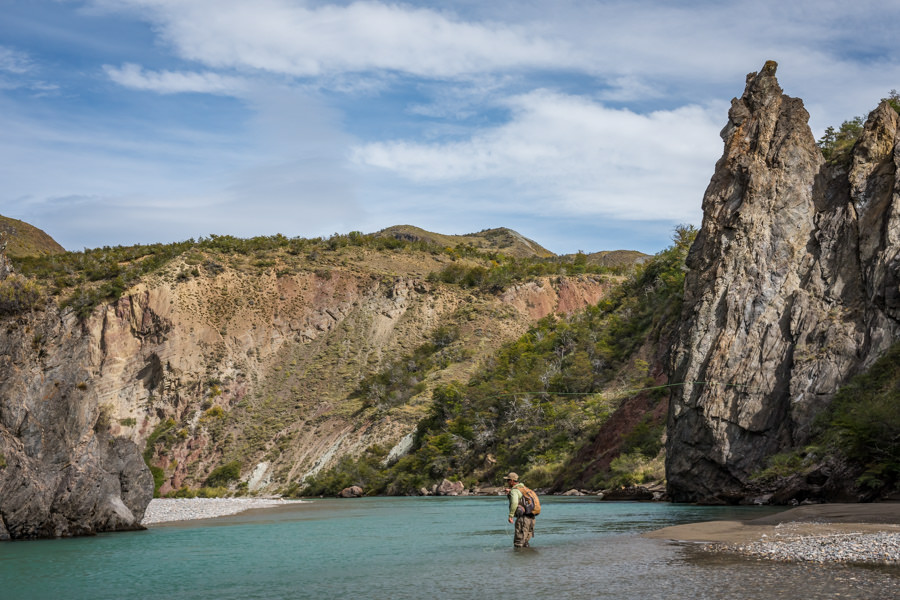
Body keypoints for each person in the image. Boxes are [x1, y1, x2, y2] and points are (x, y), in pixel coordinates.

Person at [504, 472, 534, 548]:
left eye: (508, 480)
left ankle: (518, 559)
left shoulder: (515, 491)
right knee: (525, 542)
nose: (507, 482)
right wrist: (509, 493)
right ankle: (529, 560)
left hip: (523, 519)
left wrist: (510, 516)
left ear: (512, 481)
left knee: (518, 543)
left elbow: (514, 502)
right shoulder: (524, 488)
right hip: (531, 519)